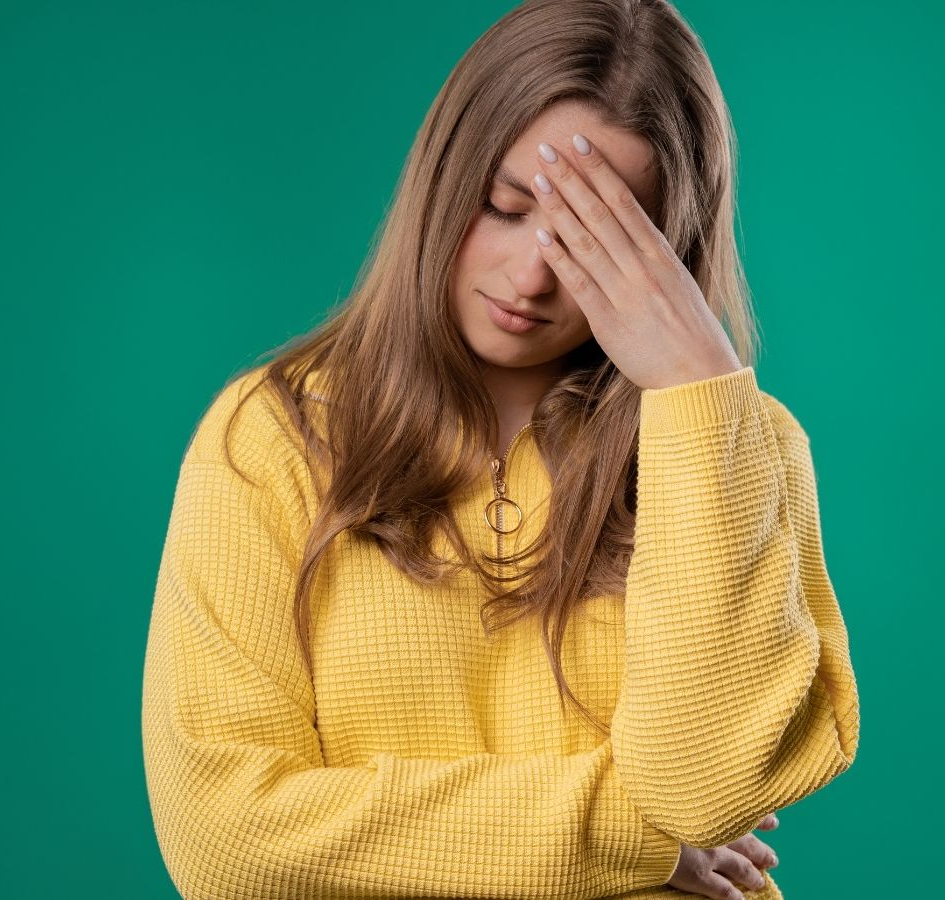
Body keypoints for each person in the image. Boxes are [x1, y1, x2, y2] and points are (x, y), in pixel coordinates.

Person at [140, 1, 860, 898]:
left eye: (598, 242)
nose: (531, 278)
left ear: (670, 253)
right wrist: (633, 840)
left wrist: (696, 392)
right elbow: (226, 842)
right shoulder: (273, 435)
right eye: (507, 208)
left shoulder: (738, 444)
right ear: (445, 179)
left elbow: (705, 791)